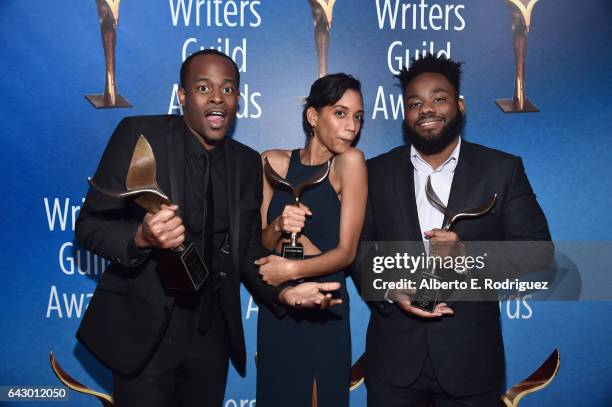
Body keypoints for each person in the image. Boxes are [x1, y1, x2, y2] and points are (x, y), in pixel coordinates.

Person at [75, 49, 342, 407]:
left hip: (210, 337)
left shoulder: (247, 162)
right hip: (146, 332)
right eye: (203, 87)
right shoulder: (140, 135)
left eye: (228, 89)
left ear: (237, 99)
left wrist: (282, 292)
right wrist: (141, 236)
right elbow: (90, 225)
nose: (217, 97)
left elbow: (247, 250)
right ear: (183, 96)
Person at [359, 54, 552, 406]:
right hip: (393, 364)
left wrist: (467, 256)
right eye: (415, 102)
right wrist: (389, 290)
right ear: (405, 113)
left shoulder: (502, 170)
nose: (426, 109)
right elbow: (359, 253)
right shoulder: (375, 172)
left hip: (472, 363)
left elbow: (538, 250)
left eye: (439, 98)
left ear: (460, 105)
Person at [254, 73, 368, 406]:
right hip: (280, 308)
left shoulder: (349, 164)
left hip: (324, 304)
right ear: (313, 116)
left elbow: (346, 253)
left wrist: (286, 271)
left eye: (358, 117)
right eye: (341, 113)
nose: (352, 126)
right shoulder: (272, 163)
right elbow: (260, 242)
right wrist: (278, 224)